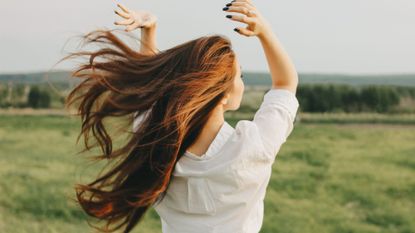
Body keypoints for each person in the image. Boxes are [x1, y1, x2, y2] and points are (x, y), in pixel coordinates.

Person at [63, 0, 299, 232]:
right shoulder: (253, 146)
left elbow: (150, 92)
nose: (242, 82)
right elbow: (285, 83)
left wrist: (149, 32)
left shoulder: (157, 145)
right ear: (223, 94)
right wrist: (264, 31)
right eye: (240, 76)